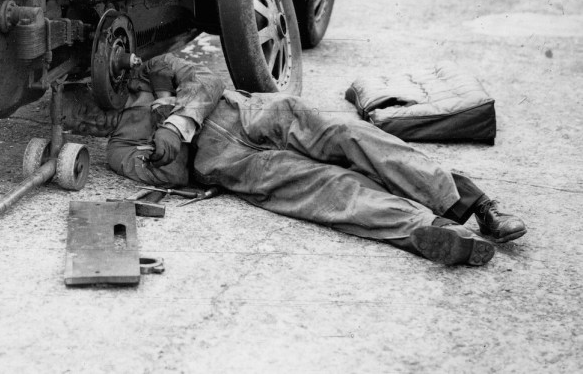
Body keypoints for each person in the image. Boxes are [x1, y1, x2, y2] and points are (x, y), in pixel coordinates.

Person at [62, 54, 527, 267]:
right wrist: (166, 145)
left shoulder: (148, 70)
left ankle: (474, 204)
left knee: (350, 137)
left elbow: (204, 80)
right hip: (232, 167)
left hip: (252, 113)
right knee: (330, 191)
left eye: (88, 97)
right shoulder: (118, 150)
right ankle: (427, 231)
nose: (92, 113)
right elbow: (171, 173)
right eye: (82, 114)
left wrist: (176, 122)